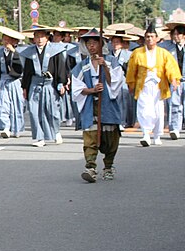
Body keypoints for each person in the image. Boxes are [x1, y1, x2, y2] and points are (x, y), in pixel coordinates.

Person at [70, 29, 125, 182]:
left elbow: (116, 82)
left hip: (108, 106)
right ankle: (90, 167)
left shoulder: (112, 61)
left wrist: (105, 67)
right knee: (90, 136)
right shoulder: (82, 66)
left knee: (110, 138)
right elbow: (77, 88)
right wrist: (91, 90)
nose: (92, 46)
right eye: (89, 43)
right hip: (90, 106)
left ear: (102, 44)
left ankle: (108, 165)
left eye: (95, 43)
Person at [126, 23, 182, 146]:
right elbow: (131, 70)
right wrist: (131, 84)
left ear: (156, 38)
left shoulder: (163, 53)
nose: (150, 39)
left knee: (158, 111)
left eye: (152, 36)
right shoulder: (137, 53)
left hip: (158, 87)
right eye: (147, 37)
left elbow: (171, 68)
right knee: (144, 110)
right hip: (143, 86)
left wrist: (173, 79)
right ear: (145, 38)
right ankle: (146, 134)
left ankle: (157, 135)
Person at [20, 26, 69, 147]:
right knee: (34, 111)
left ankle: (55, 131)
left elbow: (60, 68)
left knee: (51, 110)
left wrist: (61, 83)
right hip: (34, 84)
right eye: (37, 36)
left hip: (50, 84)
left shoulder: (55, 50)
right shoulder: (29, 52)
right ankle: (39, 137)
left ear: (47, 38)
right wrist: (25, 87)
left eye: (42, 36)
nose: (40, 39)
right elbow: (27, 72)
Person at [0, 25, 26, 138]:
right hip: (3, 80)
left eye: (8, 39)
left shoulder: (20, 51)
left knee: (16, 105)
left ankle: (17, 128)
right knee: (1, 105)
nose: (5, 41)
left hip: (16, 81)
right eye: (4, 39)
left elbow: (22, 67)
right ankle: (6, 127)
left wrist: (14, 52)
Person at [160, 21, 185, 139]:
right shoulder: (168, 47)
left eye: (179, 34)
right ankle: (175, 128)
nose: (176, 37)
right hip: (175, 79)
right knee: (174, 104)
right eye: (174, 34)